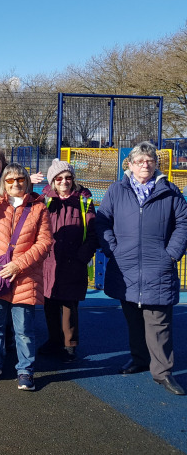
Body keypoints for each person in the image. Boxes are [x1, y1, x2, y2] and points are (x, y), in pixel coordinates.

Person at [96, 142, 187, 396]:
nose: (145, 165)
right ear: (130, 164)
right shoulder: (116, 190)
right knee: (133, 319)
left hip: (158, 267)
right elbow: (102, 221)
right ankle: (139, 359)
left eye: (149, 161)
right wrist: (113, 249)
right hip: (125, 268)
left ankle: (163, 372)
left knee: (158, 322)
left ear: (156, 164)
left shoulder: (169, 191)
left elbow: (183, 223)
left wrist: (171, 254)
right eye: (140, 161)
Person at [0, 163, 52, 391]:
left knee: (24, 330)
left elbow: (45, 242)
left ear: (27, 181)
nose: (15, 183)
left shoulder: (39, 208)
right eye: (10, 180)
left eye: (20, 179)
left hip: (25, 276)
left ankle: (25, 370)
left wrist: (18, 265)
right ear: (4, 183)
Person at [39, 159, 97, 363]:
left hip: (73, 262)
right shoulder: (45, 201)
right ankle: (54, 340)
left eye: (68, 177)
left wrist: (82, 257)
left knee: (68, 306)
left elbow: (93, 234)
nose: (64, 181)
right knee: (49, 303)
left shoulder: (84, 202)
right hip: (49, 262)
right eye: (59, 178)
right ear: (52, 181)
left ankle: (70, 344)